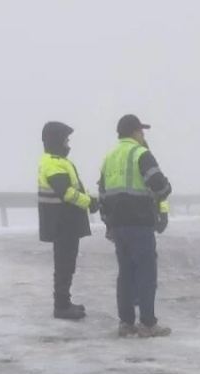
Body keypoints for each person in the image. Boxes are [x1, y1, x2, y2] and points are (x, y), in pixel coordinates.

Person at [98, 114, 171, 338]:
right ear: (134, 132)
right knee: (146, 273)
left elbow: (102, 193)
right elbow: (159, 185)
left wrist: (108, 223)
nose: (144, 135)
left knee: (126, 273)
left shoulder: (109, 157)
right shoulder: (141, 154)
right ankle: (147, 323)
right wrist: (164, 192)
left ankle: (126, 322)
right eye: (141, 131)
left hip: (118, 226)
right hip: (139, 223)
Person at [38, 121, 99, 320]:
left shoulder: (58, 160)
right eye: (65, 140)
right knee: (64, 263)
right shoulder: (52, 163)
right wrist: (88, 202)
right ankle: (61, 305)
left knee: (67, 262)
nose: (68, 144)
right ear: (56, 140)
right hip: (61, 221)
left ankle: (64, 301)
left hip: (66, 221)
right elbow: (66, 192)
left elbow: (74, 187)